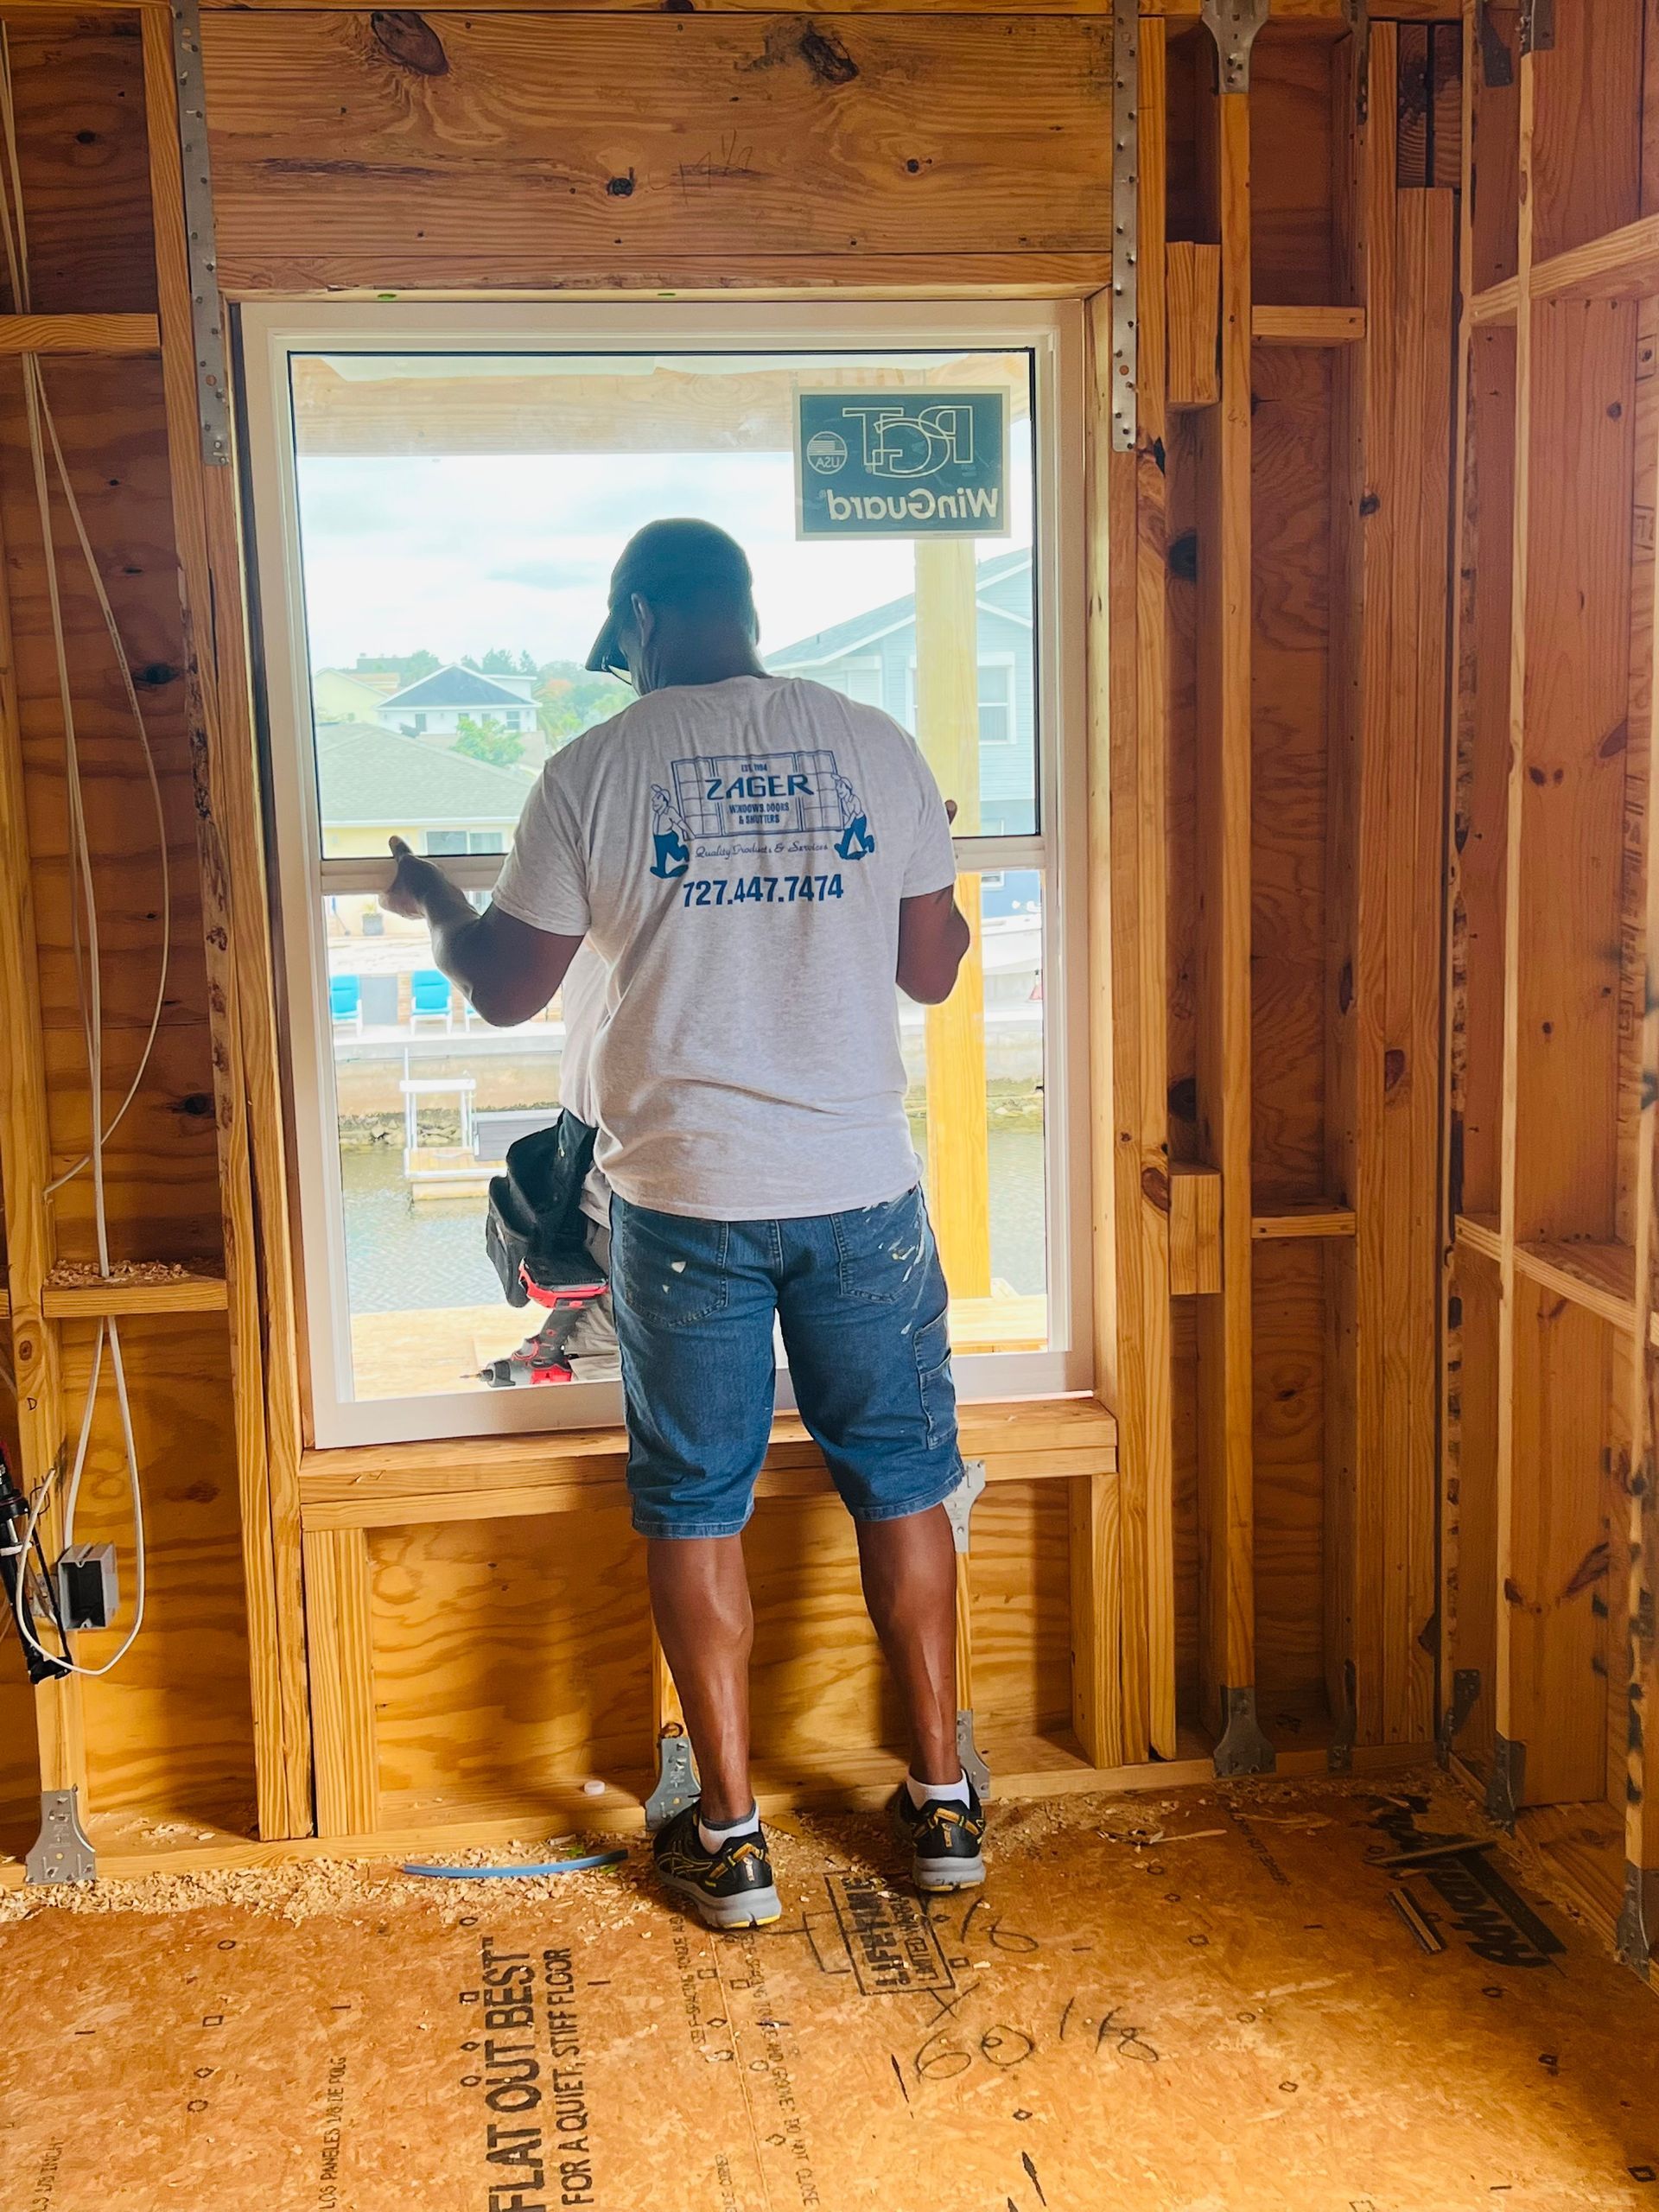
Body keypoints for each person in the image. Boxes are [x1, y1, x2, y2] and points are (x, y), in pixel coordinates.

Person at [380, 517, 978, 1929]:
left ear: (638, 619)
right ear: (748, 607)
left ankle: (730, 1836)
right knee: (901, 1478)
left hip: (687, 1199)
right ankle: (945, 1805)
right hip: (859, 1191)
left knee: (696, 1501)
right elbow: (935, 973)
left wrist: (437, 902)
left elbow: (505, 991)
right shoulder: (871, 742)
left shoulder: (592, 770)